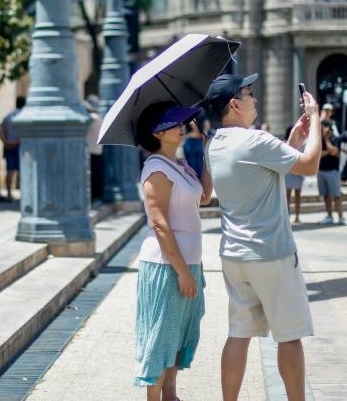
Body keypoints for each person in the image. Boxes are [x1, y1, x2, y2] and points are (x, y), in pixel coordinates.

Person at [203, 74, 321, 401]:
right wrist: (315, 120)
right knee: (289, 335)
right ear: (234, 104)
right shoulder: (255, 140)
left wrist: (292, 141)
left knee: (238, 334)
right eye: (249, 93)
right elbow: (310, 166)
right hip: (271, 252)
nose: (254, 98)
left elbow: (260, 172)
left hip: (234, 254)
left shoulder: (214, 144)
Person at [134, 102, 213, 399]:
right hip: (166, 265)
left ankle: (171, 395)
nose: (182, 127)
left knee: (178, 335)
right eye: (175, 123)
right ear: (157, 133)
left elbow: (204, 197)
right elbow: (159, 224)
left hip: (186, 262)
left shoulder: (179, 164)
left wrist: (207, 155)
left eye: (181, 122)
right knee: (160, 339)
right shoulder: (156, 168)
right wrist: (182, 271)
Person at [318, 120, 347, 225]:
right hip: (321, 171)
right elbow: (318, 154)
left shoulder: (336, 139)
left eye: (322, 127)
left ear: (328, 128)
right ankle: (329, 216)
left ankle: (341, 217)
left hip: (333, 172)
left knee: (336, 196)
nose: (320, 129)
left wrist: (327, 140)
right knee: (326, 196)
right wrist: (329, 151)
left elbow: (335, 152)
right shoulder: (319, 139)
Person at [0, 96, 26, 202]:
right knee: (23, 171)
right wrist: (15, 142)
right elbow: (25, 135)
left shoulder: (8, 116)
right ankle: (24, 194)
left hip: (8, 146)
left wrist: (6, 142)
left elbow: (1, 131)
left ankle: (9, 194)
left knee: (10, 171)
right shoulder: (25, 117)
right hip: (20, 147)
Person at [84, 95, 104, 201]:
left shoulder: (92, 117)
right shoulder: (99, 117)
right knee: (96, 173)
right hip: (97, 149)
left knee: (92, 175)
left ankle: (94, 196)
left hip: (91, 150)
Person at [283, 126, 304, 224]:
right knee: (287, 195)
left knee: (297, 195)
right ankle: (287, 216)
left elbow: (303, 157)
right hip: (288, 171)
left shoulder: (301, 143)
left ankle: (297, 216)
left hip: (298, 171)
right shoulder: (284, 143)